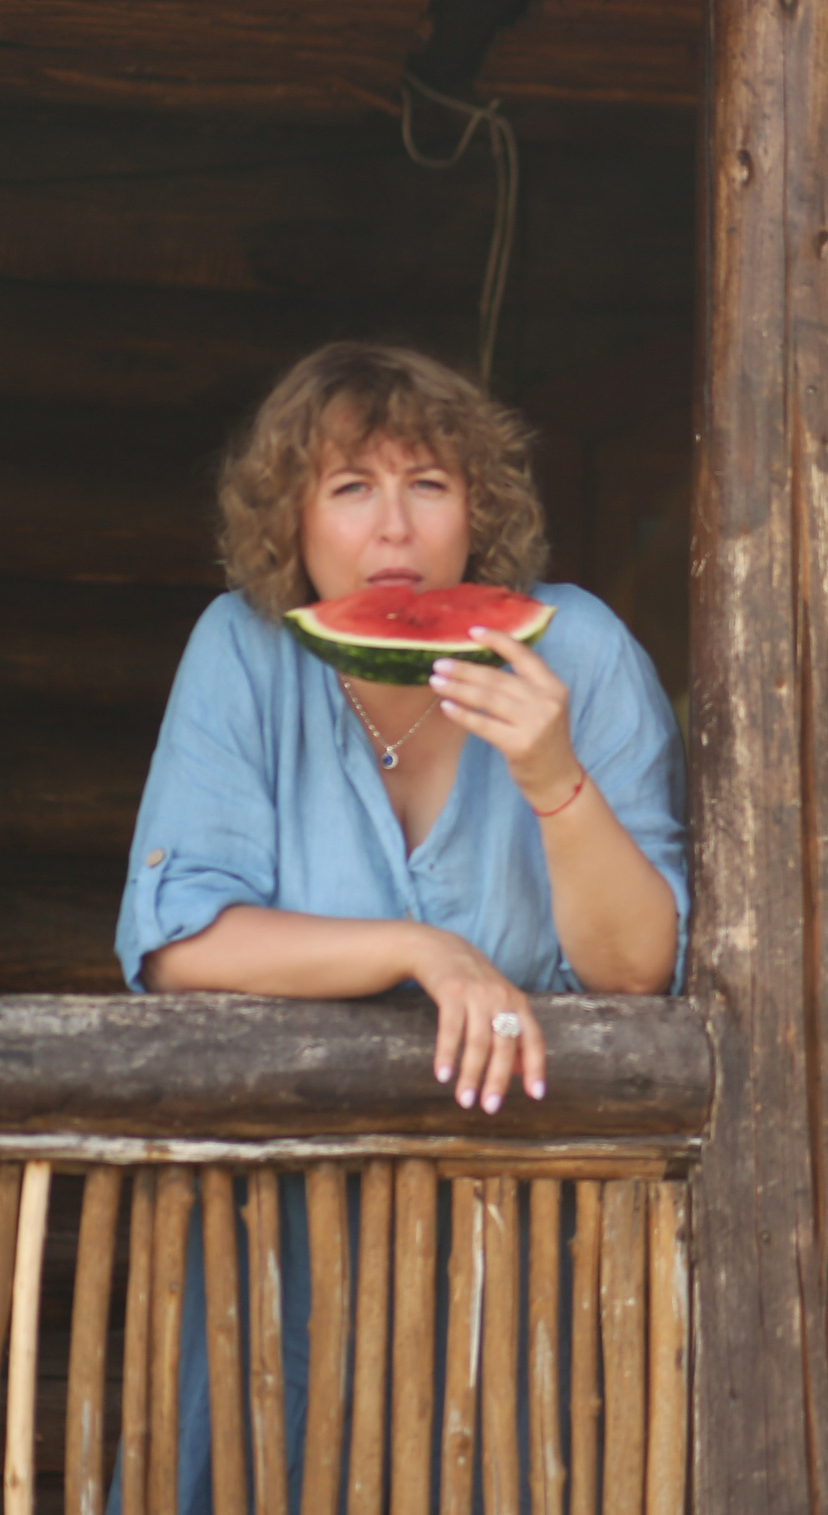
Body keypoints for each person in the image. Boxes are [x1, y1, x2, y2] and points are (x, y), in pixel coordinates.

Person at [115, 342, 687, 1513]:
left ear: (478, 514)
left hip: (537, 1237)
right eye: (350, 487)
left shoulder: (573, 650)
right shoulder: (244, 649)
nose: (394, 529)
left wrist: (552, 778)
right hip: (280, 1242)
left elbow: (638, 970)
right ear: (293, 522)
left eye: (429, 484)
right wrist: (423, 952)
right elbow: (181, 946)